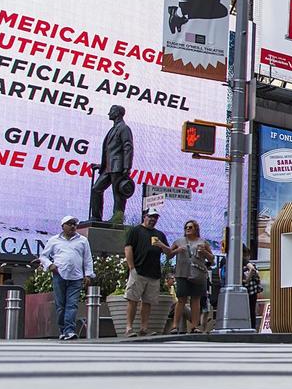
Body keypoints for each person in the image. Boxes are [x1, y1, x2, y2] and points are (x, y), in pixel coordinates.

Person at [38, 215, 94, 342]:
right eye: (70, 224)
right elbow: (43, 256)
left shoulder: (83, 240)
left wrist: (88, 274)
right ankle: (63, 330)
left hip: (76, 277)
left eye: (74, 224)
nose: (73, 226)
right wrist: (49, 265)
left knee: (72, 304)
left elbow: (87, 259)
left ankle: (69, 330)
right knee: (60, 305)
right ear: (63, 226)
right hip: (59, 275)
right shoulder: (54, 240)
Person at [123, 208, 176, 337]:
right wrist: (132, 268)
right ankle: (129, 327)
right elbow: (128, 248)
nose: (153, 219)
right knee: (132, 299)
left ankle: (144, 328)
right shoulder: (135, 231)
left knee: (147, 302)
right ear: (145, 216)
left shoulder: (160, 234)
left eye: (155, 217)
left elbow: (169, 254)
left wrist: (161, 245)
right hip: (138, 270)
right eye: (150, 216)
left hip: (154, 273)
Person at [89, 104, 134, 223]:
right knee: (96, 189)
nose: (109, 114)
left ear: (118, 113)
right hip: (109, 167)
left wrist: (126, 166)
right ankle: (96, 216)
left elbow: (128, 147)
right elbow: (110, 151)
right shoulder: (113, 129)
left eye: (111, 111)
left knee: (118, 194)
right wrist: (101, 165)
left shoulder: (124, 128)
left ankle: (117, 219)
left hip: (118, 166)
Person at [168, 220, 213, 335]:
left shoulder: (203, 242)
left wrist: (204, 252)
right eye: (186, 227)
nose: (188, 229)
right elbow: (169, 254)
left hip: (198, 274)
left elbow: (211, 259)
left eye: (190, 227)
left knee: (196, 300)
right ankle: (174, 326)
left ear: (196, 229)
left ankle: (194, 326)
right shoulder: (179, 241)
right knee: (181, 298)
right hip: (182, 273)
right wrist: (177, 250)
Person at [242, 261, 263, 330]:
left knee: (248, 310)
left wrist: (246, 280)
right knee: (252, 310)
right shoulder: (252, 265)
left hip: (245, 291)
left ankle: (249, 326)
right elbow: (257, 277)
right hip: (253, 291)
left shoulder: (241, 266)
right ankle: (252, 327)